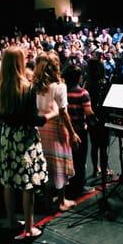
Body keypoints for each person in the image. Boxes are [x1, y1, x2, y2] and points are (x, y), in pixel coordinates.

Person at [0, 46, 53, 239]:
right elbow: (33, 120)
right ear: (20, 62)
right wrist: (51, 114)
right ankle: (28, 228)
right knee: (28, 183)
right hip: (25, 139)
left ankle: (11, 221)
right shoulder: (27, 87)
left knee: (9, 181)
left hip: (7, 137)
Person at [34, 51, 81, 212]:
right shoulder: (59, 87)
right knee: (59, 164)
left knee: (47, 164)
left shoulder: (36, 86)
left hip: (41, 128)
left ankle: (48, 200)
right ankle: (61, 201)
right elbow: (63, 112)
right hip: (57, 128)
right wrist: (73, 132)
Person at [62, 65, 96, 197]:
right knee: (80, 160)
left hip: (66, 130)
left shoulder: (63, 91)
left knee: (69, 158)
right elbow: (89, 112)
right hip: (80, 131)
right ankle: (80, 187)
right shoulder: (83, 93)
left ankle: (69, 185)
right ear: (79, 77)